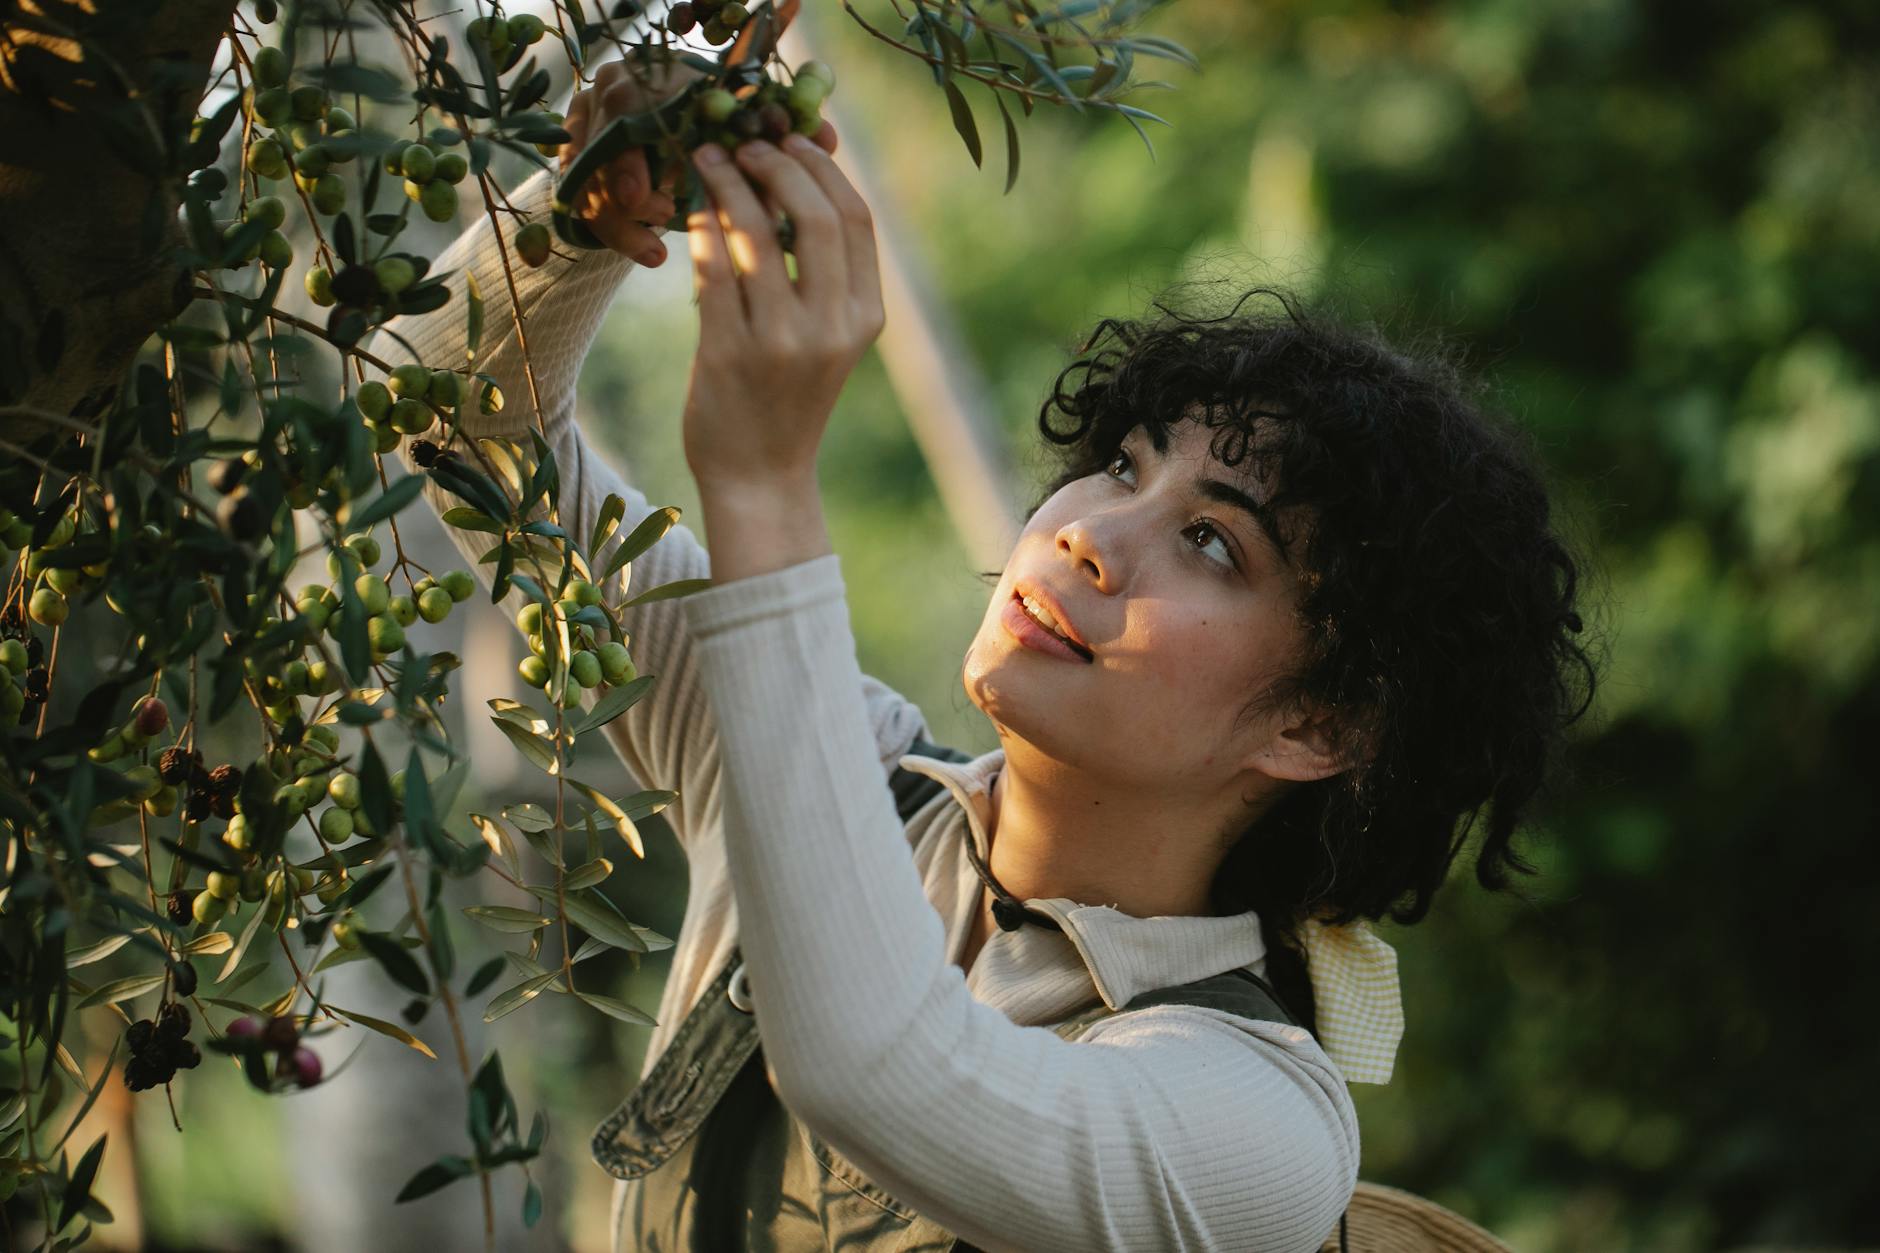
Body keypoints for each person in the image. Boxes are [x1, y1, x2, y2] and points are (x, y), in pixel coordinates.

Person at [375, 55, 1595, 1253]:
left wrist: (760, 482)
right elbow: (448, 424)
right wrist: (582, 220)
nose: (1088, 532)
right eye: (1122, 463)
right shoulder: (832, 777)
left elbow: (874, 1070)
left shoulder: (1256, 1130)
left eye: (1214, 543)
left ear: (1318, 726)